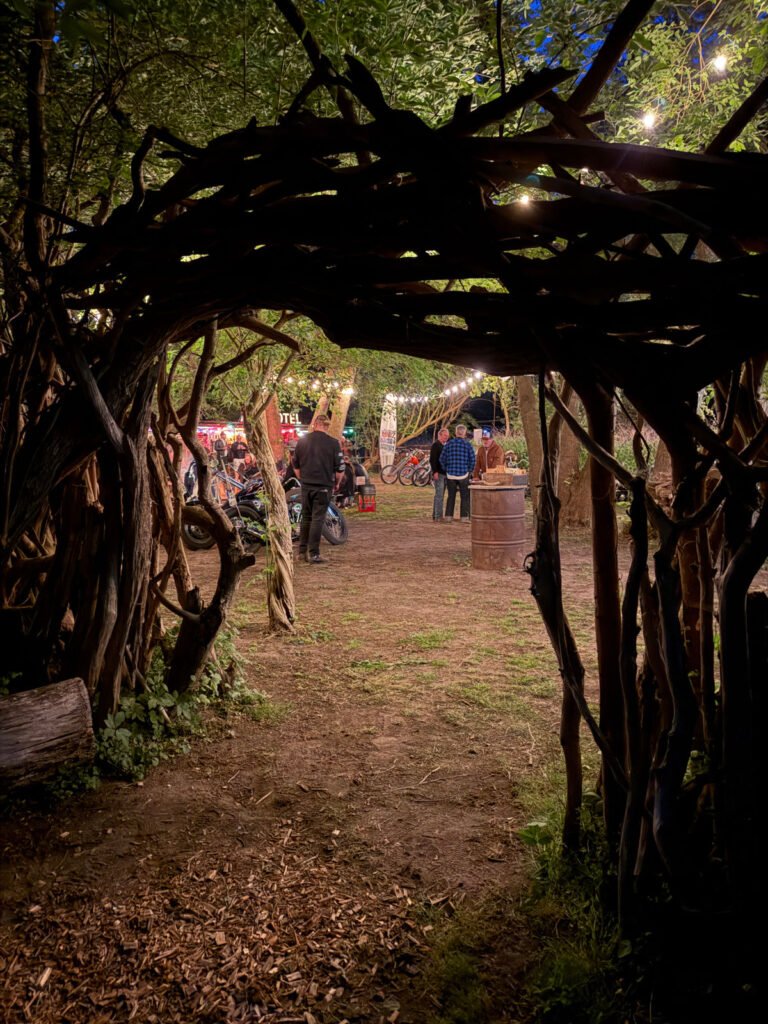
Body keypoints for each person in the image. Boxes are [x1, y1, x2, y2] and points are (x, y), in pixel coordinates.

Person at [292, 415, 345, 564]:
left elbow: (295, 464)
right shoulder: (333, 443)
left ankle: (302, 552)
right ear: (327, 426)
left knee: (306, 517)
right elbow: (340, 468)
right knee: (318, 519)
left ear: (315, 424)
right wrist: (337, 483)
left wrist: (302, 478)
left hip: (307, 485)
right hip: (323, 485)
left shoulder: (302, 441)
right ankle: (314, 553)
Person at [439, 423, 475, 522]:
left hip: (450, 475)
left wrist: (446, 469)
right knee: (465, 497)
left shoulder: (448, 444)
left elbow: (442, 459)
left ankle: (448, 517)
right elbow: (473, 459)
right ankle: (464, 517)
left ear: (455, 433)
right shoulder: (467, 445)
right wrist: (469, 470)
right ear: (464, 433)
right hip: (464, 474)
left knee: (451, 496)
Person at [430, 427, 450, 522]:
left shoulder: (443, 445)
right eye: (445, 435)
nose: (446, 437)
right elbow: (432, 460)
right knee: (439, 495)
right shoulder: (436, 445)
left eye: (447, 436)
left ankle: (435, 515)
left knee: (439, 495)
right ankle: (438, 516)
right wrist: (435, 472)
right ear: (440, 435)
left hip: (444, 473)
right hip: (439, 473)